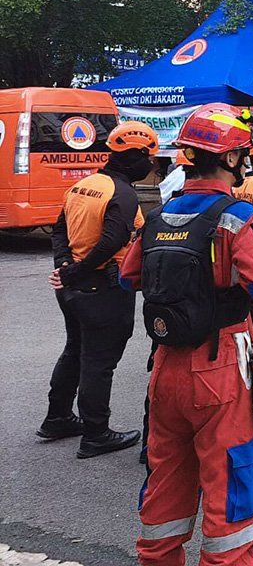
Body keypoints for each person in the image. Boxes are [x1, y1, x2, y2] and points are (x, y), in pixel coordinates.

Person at [122, 103, 253, 565]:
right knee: (232, 480)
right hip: (219, 365)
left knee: (166, 477)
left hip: (165, 366)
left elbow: (127, 278)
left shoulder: (160, 215)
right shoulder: (236, 216)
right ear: (231, 159)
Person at [41, 121, 159, 458]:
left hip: (73, 288)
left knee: (76, 349)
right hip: (101, 288)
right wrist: (76, 271)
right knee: (99, 360)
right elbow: (113, 241)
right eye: (147, 158)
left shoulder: (84, 185)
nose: (150, 164)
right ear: (133, 156)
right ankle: (96, 433)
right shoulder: (121, 194)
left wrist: (65, 267)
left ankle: (58, 417)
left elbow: (58, 229)